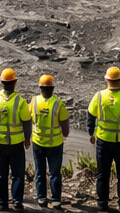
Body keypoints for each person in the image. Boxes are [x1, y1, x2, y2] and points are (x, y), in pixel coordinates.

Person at [87, 66, 120, 213]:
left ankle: (102, 203)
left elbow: (90, 115)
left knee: (102, 173)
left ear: (106, 80)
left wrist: (91, 133)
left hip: (103, 141)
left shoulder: (99, 96)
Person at [0, 68, 33, 212]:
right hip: (16, 144)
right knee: (17, 174)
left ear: (2, 82)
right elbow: (27, 121)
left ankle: (2, 203)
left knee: (0, 174)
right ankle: (17, 202)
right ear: (15, 82)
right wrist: (27, 139)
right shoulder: (20, 101)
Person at [31, 74, 70, 209]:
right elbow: (65, 128)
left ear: (40, 87)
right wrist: (64, 134)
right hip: (55, 144)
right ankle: (56, 199)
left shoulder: (34, 102)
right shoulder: (58, 104)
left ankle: (41, 198)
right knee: (54, 172)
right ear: (52, 88)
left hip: (38, 142)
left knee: (40, 172)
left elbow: (28, 120)